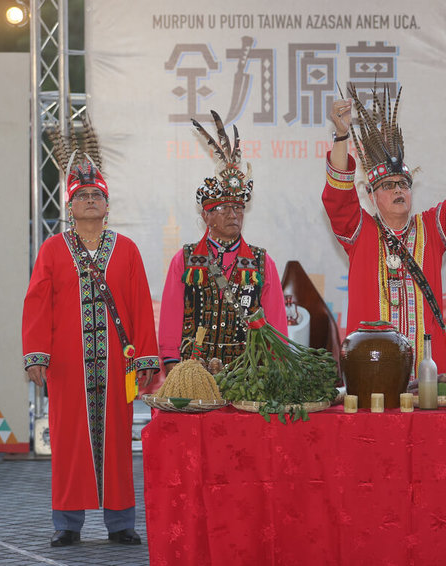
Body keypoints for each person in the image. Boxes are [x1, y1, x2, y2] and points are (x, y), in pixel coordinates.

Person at [22, 118, 159, 547]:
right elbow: (37, 303)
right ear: (70, 205)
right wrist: (36, 355)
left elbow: (139, 306)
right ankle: (67, 524)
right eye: (82, 196)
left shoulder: (128, 249)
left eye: (97, 195)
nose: (90, 201)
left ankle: (121, 525)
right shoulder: (52, 249)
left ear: (107, 203)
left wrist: (146, 360)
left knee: (119, 443)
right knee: (68, 444)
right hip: (68, 367)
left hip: (117, 364)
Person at [323, 85, 446, 381]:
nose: (398, 190)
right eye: (388, 185)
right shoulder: (360, 230)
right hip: (372, 371)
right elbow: (338, 201)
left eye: (403, 184)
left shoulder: (431, 228)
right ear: (371, 195)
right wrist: (341, 137)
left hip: (428, 375)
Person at [159, 111, 287, 372]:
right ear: (206, 215)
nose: (234, 214)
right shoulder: (184, 259)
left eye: (239, 207)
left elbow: (276, 323)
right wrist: (172, 362)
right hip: (193, 371)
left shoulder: (261, 262)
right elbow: (172, 315)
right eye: (224, 208)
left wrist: (276, 364)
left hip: (248, 372)